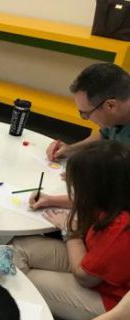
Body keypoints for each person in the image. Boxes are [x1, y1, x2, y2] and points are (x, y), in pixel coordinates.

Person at [12, 141, 130, 320]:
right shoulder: (118, 196)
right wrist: (51, 200)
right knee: (18, 249)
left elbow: (85, 277)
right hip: (96, 264)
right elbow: (88, 201)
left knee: (25, 279)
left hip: (114, 301)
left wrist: (69, 231)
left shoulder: (121, 229)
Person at [33, 63, 130, 211]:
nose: (86, 118)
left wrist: (87, 175)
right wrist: (71, 149)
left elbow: (114, 198)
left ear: (110, 105)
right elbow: (104, 134)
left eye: (86, 114)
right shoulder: (118, 114)